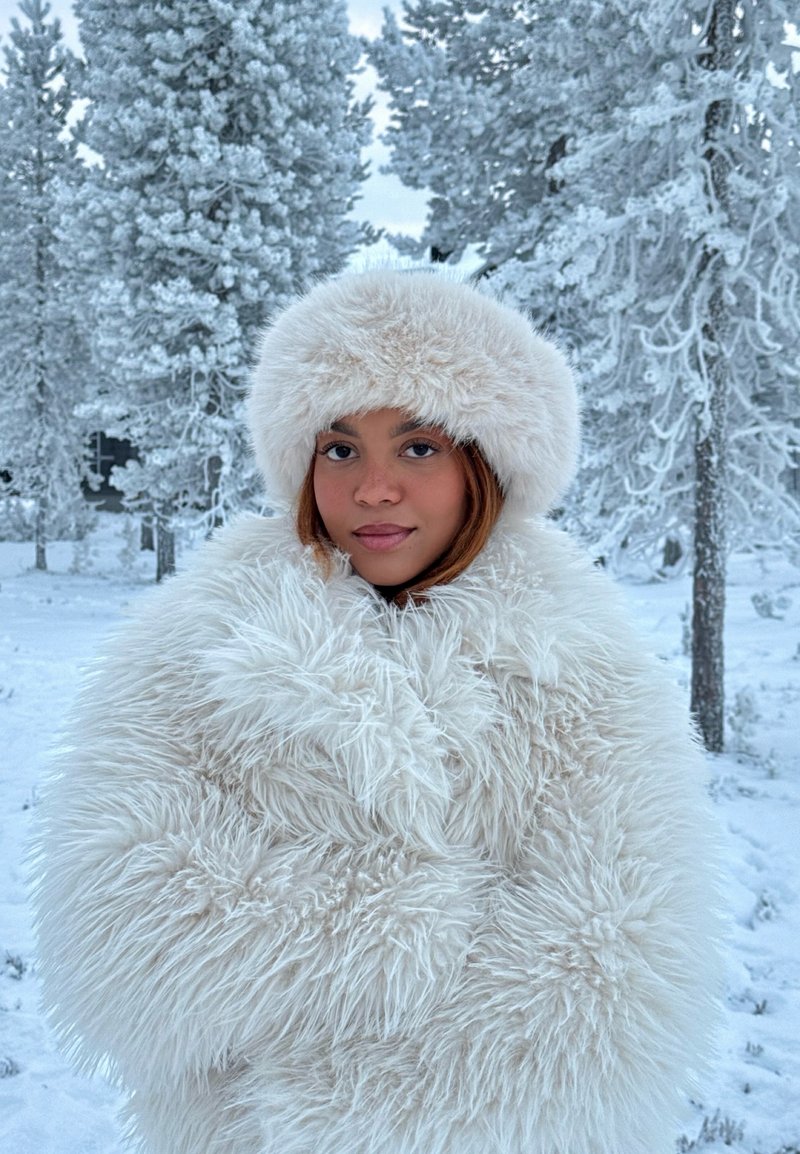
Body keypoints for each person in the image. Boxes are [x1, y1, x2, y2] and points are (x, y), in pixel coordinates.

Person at [33, 268, 721, 1154]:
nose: (374, 489)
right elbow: (120, 931)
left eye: (420, 446)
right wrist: (404, 922)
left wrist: (320, 1064)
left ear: (489, 463)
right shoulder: (200, 644)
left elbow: (618, 978)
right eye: (341, 448)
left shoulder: (583, 671)